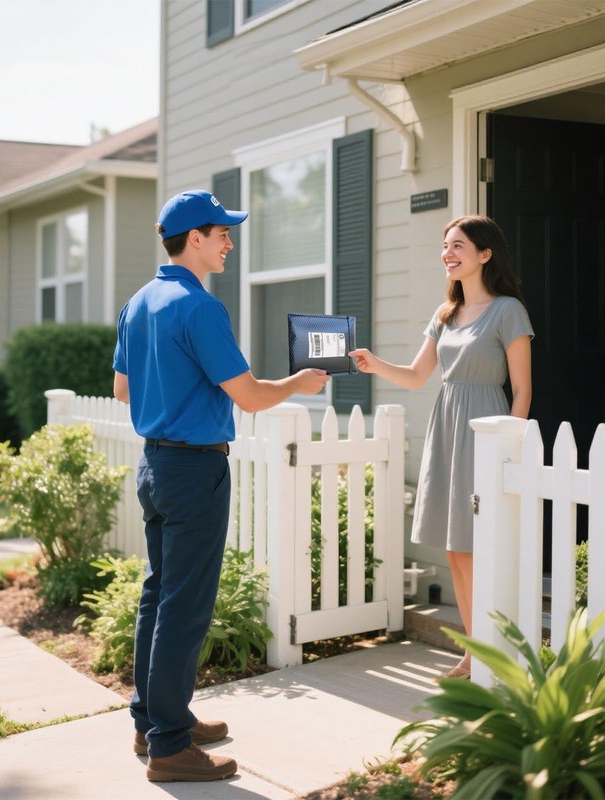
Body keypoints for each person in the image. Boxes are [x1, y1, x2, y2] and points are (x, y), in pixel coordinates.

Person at [113, 189, 329, 783]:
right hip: (194, 469)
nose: (231, 243)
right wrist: (299, 383)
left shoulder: (138, 302)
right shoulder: (199, 306)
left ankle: (155, 719)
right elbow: (252, 396)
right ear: (196, 239)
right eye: (223, 233)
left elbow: (123, 392)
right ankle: (169, 748)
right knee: (184, 608)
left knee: (159, 599)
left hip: (154, 467)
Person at [350, 215, 532, 680]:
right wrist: (373, 364)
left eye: (458, 246)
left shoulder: (508, 310)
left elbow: (523, 391)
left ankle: (492, 650)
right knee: (455, 549)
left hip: (486, 427)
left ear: (485, 254)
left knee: (476, 546)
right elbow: (416, 375)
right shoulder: (445, 314)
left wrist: (508, 449)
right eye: (445, 246)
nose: (447, 254)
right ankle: (473, 653)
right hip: (447, 425)